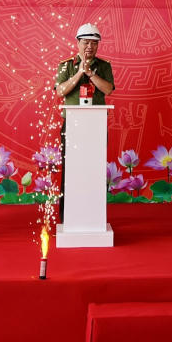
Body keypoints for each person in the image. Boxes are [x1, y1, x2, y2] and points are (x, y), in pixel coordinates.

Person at [54, 23, 115, 220]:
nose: (90, 46)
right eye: (86, 42)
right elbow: (60, 91)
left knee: (95, 168)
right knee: (70, 169)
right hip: (72, 125)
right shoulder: (66, 65)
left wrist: (90, 73)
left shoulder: (104, 66)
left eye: (94, 43)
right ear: (78, 43)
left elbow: (108, 89)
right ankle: (67, 217)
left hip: (96, 125)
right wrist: (79, 72)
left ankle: (94, 216)